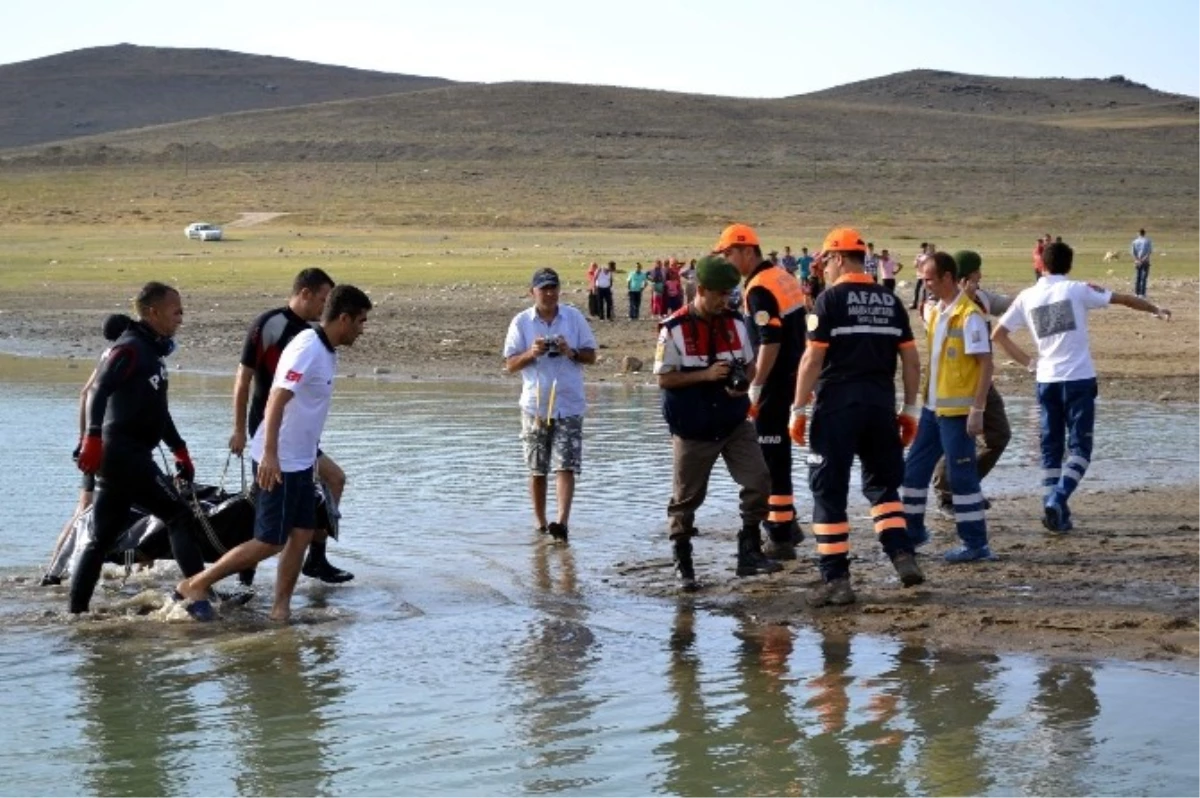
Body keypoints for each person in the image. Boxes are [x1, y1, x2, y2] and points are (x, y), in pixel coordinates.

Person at [176, 285, 372, 622]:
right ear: (344, 319)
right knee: (270, 541)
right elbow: (277, 398)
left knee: (302, 533)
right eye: (361, 321)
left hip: (300, 460)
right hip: (279, 460)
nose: (362, 329)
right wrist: (269, 455)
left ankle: (281, 610)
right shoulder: (309, 348)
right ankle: (195, 583)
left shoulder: (326, 350)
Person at [992, 241, 1171, 532]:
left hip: (1046, 380)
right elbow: (1124, 299)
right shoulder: (1076, 289)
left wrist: (1028, 362)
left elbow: (998, 334)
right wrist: (1154, 308)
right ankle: (1058, 500)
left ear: (1041, 265)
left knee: (1050, 450)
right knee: (1080, 449)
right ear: (1070, 265)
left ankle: (1055, 512)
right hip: (1077, 379)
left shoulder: (1027, 296)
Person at [788, 227, 924, 606]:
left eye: (824, 262)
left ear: (838, 258)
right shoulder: (891, 301)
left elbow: (812, 359)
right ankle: (902, 556)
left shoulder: (829, 301)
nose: (823, 270)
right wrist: (910, 410)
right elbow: (911, 360)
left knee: (828, 491)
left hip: (837, 406)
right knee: (883, 487)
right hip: (880, 404)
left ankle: (836, 580)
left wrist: (797, 409)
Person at [71, 282, 208, 616]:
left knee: (100, 539)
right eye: (175, 310)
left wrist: (180, 449)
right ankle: (201, 597)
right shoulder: (130, 348)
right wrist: (91, 438)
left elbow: (158, 413)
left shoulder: (152, 353)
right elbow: (97, 392)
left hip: (125, 457)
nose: (181, 316)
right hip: (123, 454)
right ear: (152, 312)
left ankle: (76, 615)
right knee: (178, 515)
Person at [655, 256, 781, 590]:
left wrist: (738, 383)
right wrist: (706, 375)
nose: (725, 300)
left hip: (733, 421)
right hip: (692, 428)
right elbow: (665, 379)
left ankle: (749, 550)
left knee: (759, 482)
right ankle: (684, 563)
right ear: (702, 289)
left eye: (729, 294)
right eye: (720, 294)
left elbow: (751, 366)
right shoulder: (674, 328)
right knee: (685, 499)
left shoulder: (736, 323)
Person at [230, 268, 353, 584]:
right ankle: (242, 577)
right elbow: (243, 380)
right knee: (265, 517)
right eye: (323, 299)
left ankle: (316, 558)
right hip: (269, 430)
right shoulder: (271, 324)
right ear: (306, 293)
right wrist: (240, 430)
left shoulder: (316, 335)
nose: (325, 307)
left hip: (296, 436)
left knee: (334, 480)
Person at [715, 222, 807, 559]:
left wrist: (756, 385)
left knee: (770, 458)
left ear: (745, 250)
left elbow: (770, 340)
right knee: (776, 452)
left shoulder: (759, 289)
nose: (726, 262)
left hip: (776, 382)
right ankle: (789, 523)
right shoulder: (783, 276)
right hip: (793, 375)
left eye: (728, 254)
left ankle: (781, 535)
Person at [901, 252, 996, 563]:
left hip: (957, 413)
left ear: (946, 277)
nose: (925, 284)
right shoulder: (937, 312)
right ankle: (913, 532)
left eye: (929, 279)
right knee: (913, 471)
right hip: (933, 409)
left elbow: (985, 364)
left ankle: (976, 544)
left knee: (962, 477)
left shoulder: (970, 316)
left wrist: (978, 409)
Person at [503, 268, 598, 543]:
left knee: (566, 465)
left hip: (569, 402)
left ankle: (562, 522)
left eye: (553, 288)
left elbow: (591, 356)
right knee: (537, 467)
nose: (549, 293)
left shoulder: (574, 317)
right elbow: (509, 364)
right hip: (535, 404)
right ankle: (540, 523)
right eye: (543, 288)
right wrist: (531, 353)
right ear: (532, 291)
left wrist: (571, 352)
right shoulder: (521, 322)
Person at [42, 313, 133, 586]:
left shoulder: (111, 354)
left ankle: (56, 570)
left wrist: (84, 438)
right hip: (107, 446)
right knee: (85, 510)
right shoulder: (121, 355)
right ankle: (56, 572)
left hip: (102, 444)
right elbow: (89, 393)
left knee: (91, 509)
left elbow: (85, 393)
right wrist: (88, 440)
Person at [931, 251, 1012, 518]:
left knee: (999, 435)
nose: (981, 276)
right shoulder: (938, 303)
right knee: (956, 441)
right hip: (954, 385)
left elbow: (1011, 304)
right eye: (977, 271)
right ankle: (946, 492)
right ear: (964, 276)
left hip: (981, 380)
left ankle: (964, 485)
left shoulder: (983, 298)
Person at [1131, 228, 1153, 298]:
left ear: (1138, 233)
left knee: (1137, 277)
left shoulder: (1134, 241)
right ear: (1144, 233)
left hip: (1137, 261)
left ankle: (1136, 293)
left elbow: (1133, 252)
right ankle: (1142, 294)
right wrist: (1143, 260)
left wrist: (1137, 260)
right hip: (1145, 261)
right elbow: (1149, 252)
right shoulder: (1148, 241)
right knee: (1143, 278)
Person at [909, 243, 929, 309]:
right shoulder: (918, 256)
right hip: (919, 275)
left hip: (925, 275)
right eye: (922, 248)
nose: (923, 249)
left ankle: (923, 304)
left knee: (924, 290)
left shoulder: (928, 256)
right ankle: (915, 304)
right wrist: (917, 261)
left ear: (926, 248)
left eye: (924, 247)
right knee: (917, 289)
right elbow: (915, 265)